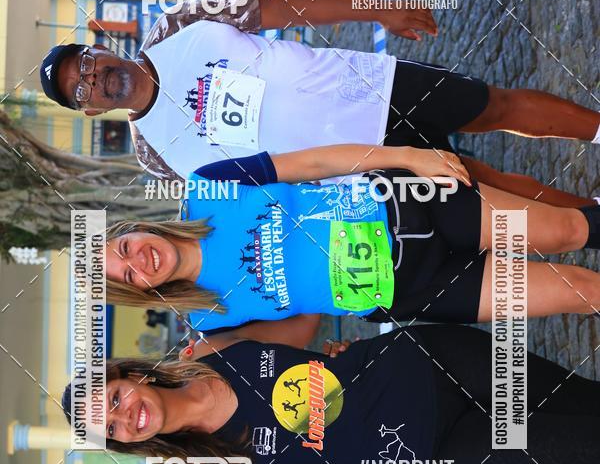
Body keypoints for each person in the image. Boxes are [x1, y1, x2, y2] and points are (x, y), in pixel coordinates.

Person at [38, 0, 600, 187]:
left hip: (373, 86)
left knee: (491, 104)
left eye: (85, 62)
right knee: (481, 182)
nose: (92, 78)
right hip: (358, 161)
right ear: (88, 112)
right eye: (79, 90)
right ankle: (590, 217)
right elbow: (258, 189)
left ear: (101, 46)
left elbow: (289, 8)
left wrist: (379, 11)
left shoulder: (180, 19)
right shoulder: (155, 158)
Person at [61, 323, 600, 464]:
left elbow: (305, 303)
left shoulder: (205, 349)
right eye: (110, 430)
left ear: (128, 375)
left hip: (429, 363)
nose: (125, 416)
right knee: (586, 451)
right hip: (432, 458)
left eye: (113, 400)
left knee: (584, 402)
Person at [102, 144, 600, 331]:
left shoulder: (208, 186)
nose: (139, 261)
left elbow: (312, 163)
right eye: (128, 277)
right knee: (579, 292)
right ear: (140, 291)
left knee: (566, 229)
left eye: (125, 249)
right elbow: (294, 335)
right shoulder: (208, 316)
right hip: (413, 291)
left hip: (409, 207)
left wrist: (408, 158)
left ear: (134, 229)